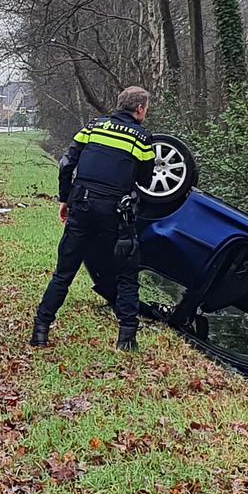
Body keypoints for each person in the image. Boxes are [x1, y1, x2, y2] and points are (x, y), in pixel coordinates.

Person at [31, 85, 157, 351]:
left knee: (64, 273)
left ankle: (40, 330)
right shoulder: (142, 138)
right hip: (116, 215)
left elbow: (66, 164)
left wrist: (65, 198)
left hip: (82, 206)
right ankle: (126, 339)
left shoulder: (92, 127)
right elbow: (145, 180)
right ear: (140, 109)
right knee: (126, 274)